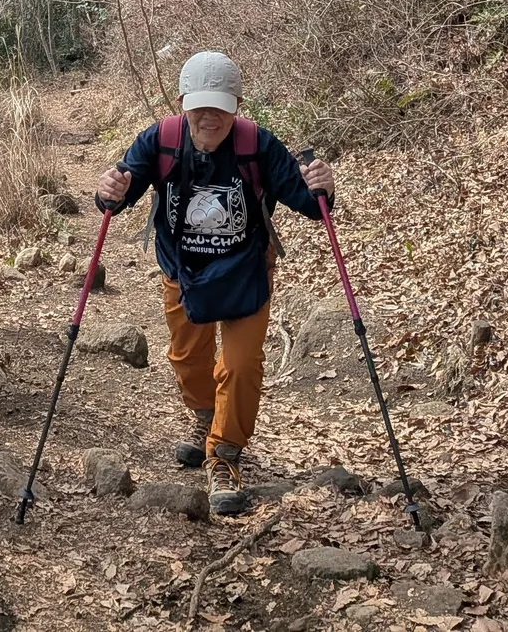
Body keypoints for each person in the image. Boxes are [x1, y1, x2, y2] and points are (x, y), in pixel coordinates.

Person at [95, 50, 335, 516]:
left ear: (237, 105)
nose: (210, 118)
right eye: (200, 106)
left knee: (242, 364)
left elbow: (309, 204)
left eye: (221, 107)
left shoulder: (257, 145)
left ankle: (224, 453)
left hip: (245, 271)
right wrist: (109, 191)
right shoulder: (160, 140)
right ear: (182, 102)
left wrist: (323, 186)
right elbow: (123, 189)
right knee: (188, 357)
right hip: (181, 271)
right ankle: (205, 418)